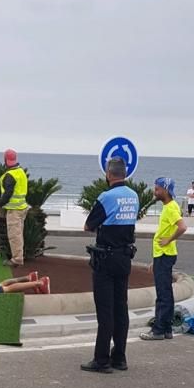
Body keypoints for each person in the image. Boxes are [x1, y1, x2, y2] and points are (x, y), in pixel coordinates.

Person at [81, 157, 139, 374]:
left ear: (108, 174)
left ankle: (101, 359)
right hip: (125, 258)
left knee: (105, 310)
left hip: (105, 259)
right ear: (125, 173)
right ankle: (120, 357)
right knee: (121, 307)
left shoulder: (106, 197)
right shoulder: (134, 196)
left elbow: (88, 225)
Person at [140, 178, 187, 341]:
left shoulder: (171, 208)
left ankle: (159, 330)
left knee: (163, 294)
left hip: (165, 254)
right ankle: (166, 329)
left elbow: (182, 227)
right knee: (165, 292)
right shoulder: (168, 207)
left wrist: (169, 240)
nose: (155, 191)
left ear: (166, 190)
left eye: (158, 189)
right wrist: (156, 259)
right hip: (162, 255)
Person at [0, 149, 28, 266]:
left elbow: (8, 193)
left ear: (5, 159)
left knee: (14, 235)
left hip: (14, 210)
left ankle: (17, 259)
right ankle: (19, 256)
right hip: (22, 207)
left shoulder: (10, 175)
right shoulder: (21, 172)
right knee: (19, 234)